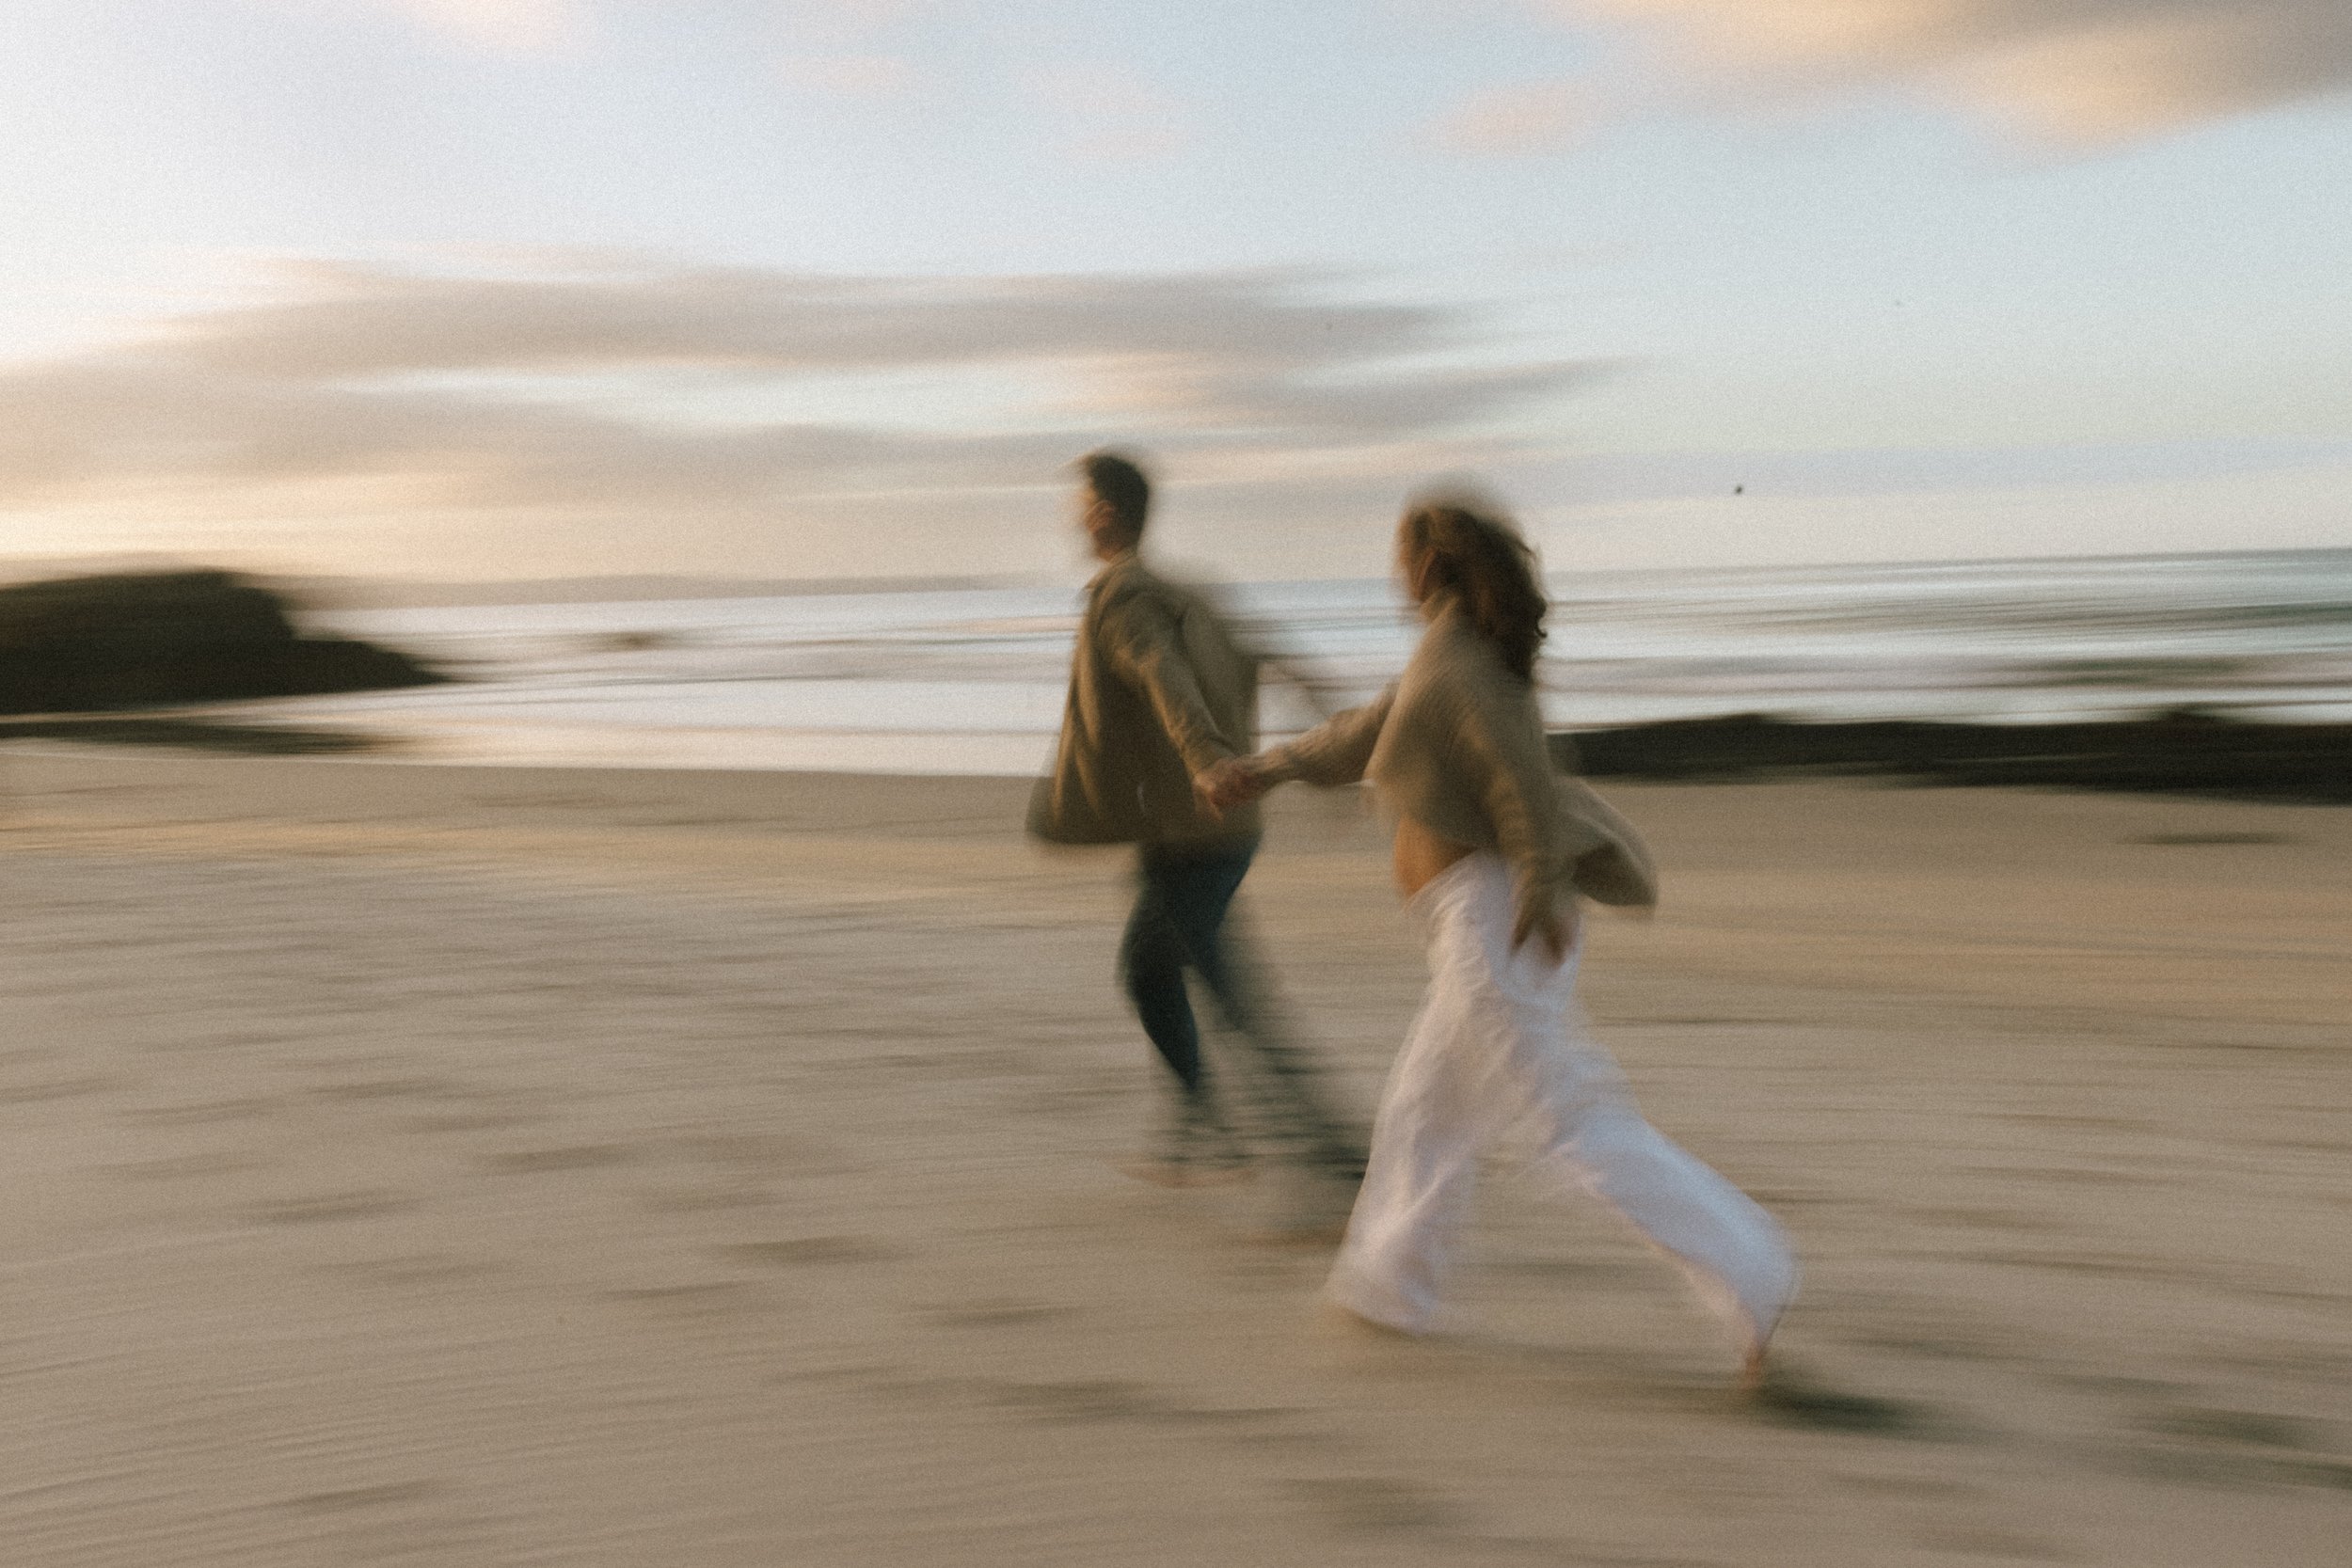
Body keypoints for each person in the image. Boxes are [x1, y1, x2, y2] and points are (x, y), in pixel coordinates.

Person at [1201, 490, 1796, 1379]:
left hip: (1497, 919)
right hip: (1479, 921)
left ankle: (1753, 1268)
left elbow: (1519, 780)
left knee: (1569, 1121)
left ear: (1426, 565)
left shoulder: (1462, 666)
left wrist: (1541, 890)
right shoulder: (1445, 658)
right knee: (1424, 1113)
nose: (1394, 576)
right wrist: (1262, 769)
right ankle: (1385, 1289)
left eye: (1399, 559)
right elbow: (1361, 734)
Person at [1028, 450, 1364, 1205]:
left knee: (1230, 1001)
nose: (1073, 518)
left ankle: (1338, 1166)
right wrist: (1334, 737)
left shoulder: (1124, 594)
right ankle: (1206, 1128)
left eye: (1079, 505)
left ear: (1104, 513)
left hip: (1199, 824)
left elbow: (1162, 673)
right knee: (1151, 972)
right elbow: (1272, 651)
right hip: (1208, 828)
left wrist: (1209, 760)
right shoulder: (1188, 589)